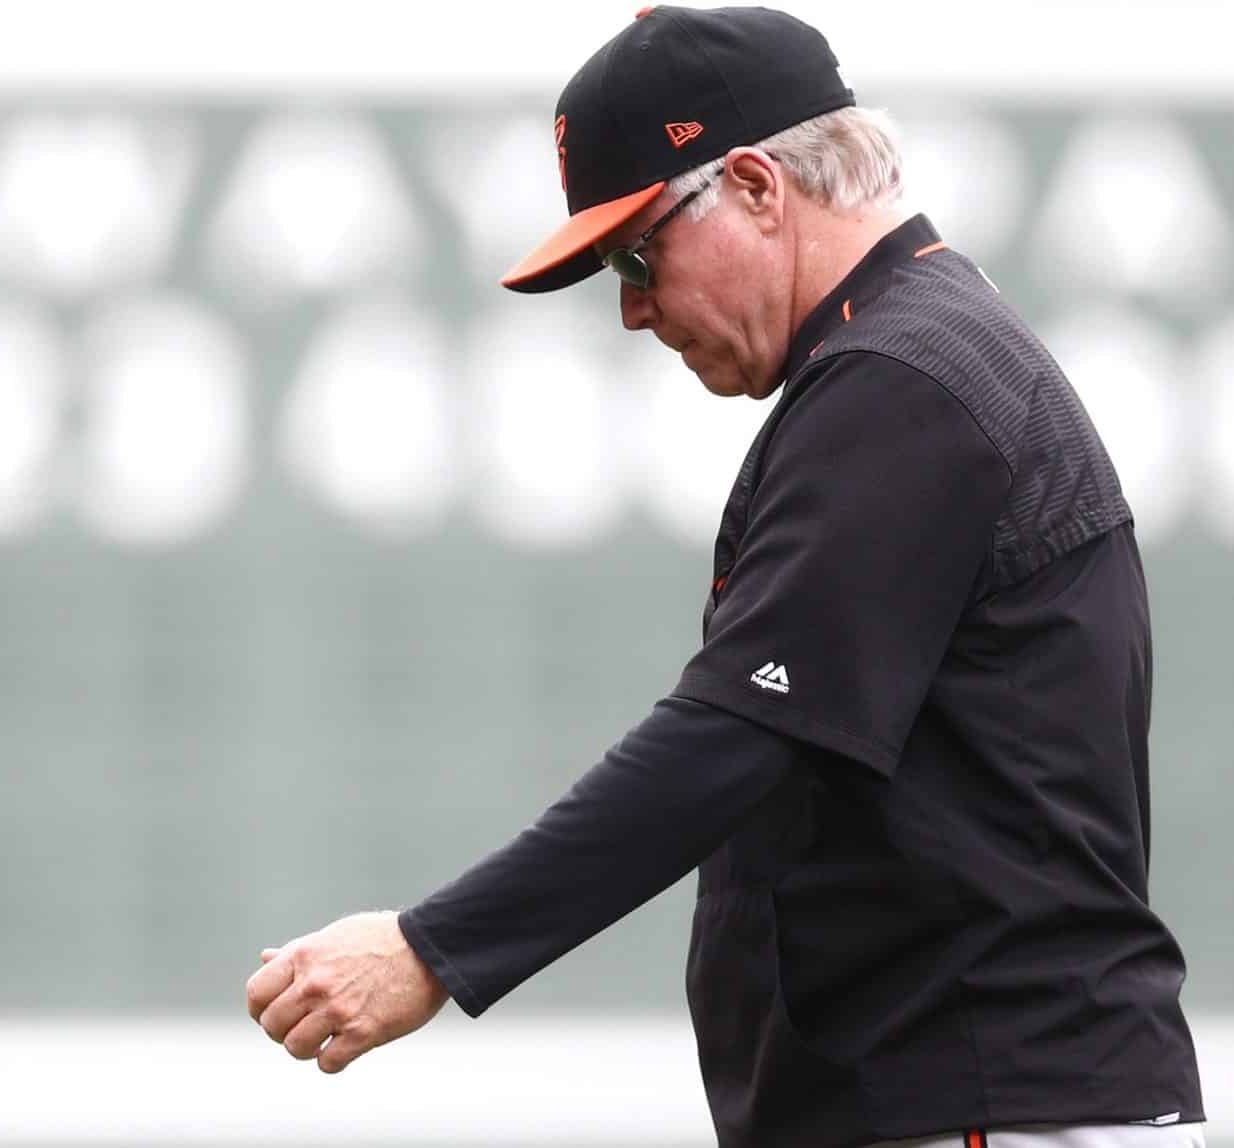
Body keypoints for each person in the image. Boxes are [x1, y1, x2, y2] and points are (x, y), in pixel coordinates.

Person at [241, 7, 1209, 1148]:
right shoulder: (913, 353)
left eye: (638, 254)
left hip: (994, 1103)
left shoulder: (908, 377)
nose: (632, 306)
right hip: (983, 1098)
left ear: (755, 185)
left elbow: (734, 735)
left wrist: (432, 946)